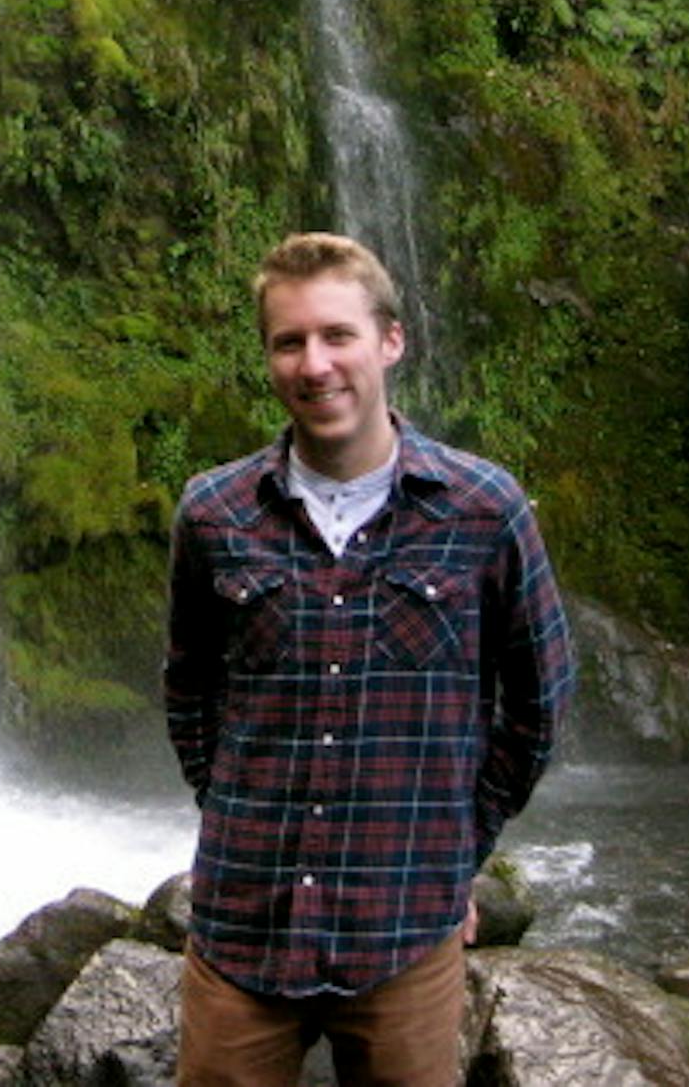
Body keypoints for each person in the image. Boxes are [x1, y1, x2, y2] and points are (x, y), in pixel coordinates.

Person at [164, 232, 575, 1087]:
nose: (315, 364)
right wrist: (234, 807)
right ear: (269, 357)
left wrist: (458, 844)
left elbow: (540, 699)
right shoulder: (213, 512)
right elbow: (189, 686)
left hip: (405, 934)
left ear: (390, 341)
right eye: (290, 341)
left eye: (337, 335)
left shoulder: (482, 509)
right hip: (244, 929)